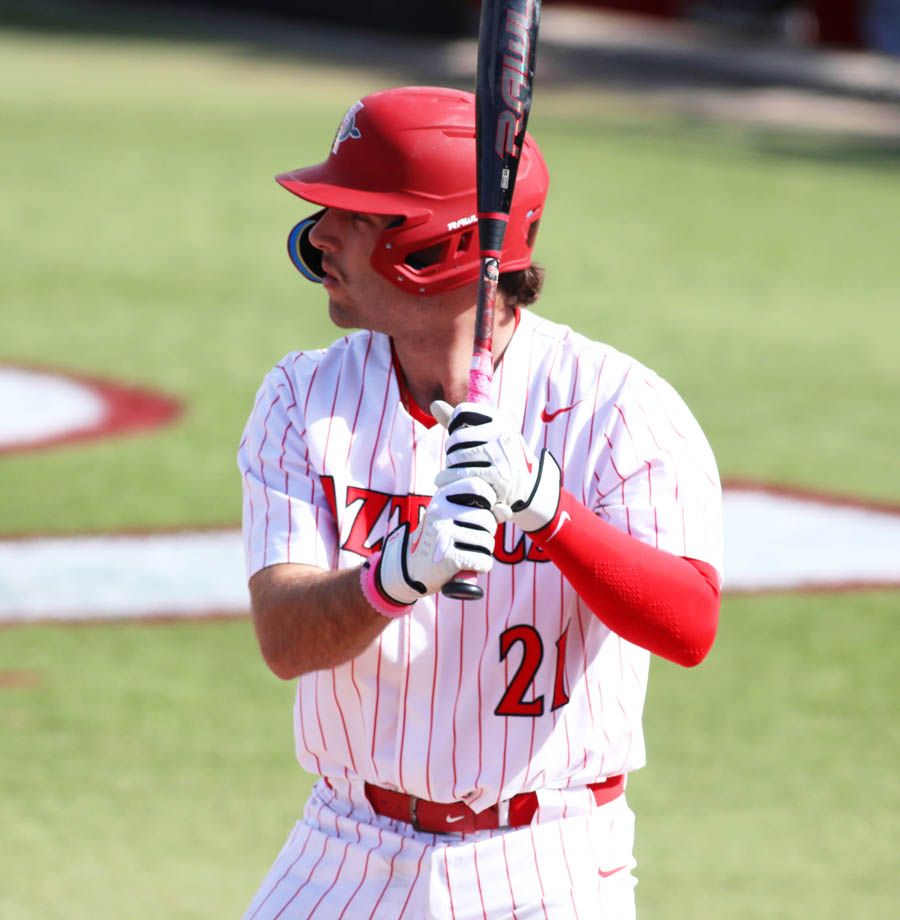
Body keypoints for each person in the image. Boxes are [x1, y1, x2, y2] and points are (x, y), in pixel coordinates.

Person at [238, 85, 723, 919]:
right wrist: (396, 573)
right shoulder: (304, 397)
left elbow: (689, 626)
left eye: (354, 214)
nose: (318, 235)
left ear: (438, 245)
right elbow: (285, 638)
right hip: (345, 845)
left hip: (546, 861)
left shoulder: (615, 410)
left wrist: (547, 510)